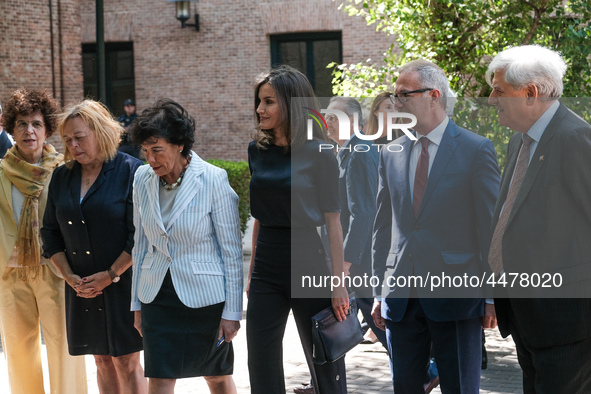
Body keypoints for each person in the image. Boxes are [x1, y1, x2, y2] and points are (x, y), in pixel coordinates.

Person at [371, 59, 500, 393]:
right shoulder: (390, 153)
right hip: (400, 298)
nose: (395, 103)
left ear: (433, 95)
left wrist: (492, 297)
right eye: (394, 95)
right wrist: (377, 290)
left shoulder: (476, 149)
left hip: (457, 297)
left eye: (403, 95)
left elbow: (490, 230)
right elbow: (382, 229)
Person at [486, 45, 591, 393]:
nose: (490, 99)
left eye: (499, 90)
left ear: (530, 93)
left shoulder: (576, 139)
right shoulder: (521, 141)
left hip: (567, 324)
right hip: (526, 315)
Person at [246, 65, 349, 394]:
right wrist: (252, 274)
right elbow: (260, 217)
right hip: (266, 264)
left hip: (308, 259)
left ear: (292, 104)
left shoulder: (321, 153)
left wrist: (339, 284)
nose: (260, 109)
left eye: (269, 102)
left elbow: (334, 221)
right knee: (259, 359)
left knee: (325, 360)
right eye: (259, 102)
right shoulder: (256, 152)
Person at [129, 99, 243, 394]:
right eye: (145, 151)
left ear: (179, 144)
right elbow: (141, 244)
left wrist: (233, 312)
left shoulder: (214, 180)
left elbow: (230, 253)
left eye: (157, 150)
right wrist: (137, 305)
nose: (150, 159)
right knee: (160, 376)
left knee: (216, 376)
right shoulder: (142, 178)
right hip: (157, 296)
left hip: (205, 298)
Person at [41, 99, 147, 394]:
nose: (73, 145)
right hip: (81, 285)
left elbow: (139, 236)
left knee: (126, 360)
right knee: (101, 360)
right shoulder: (62, 176)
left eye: (79, 137)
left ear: (100, 132)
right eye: (67, 140)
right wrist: (68, 276)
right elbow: (50, 234)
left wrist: (111, 274)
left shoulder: (132, 171)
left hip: (122, 282)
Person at [0, 88, 87, 394]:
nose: (29, 131)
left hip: (56, 271)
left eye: (36, 123)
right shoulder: (0, 173)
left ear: (48, 128)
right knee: (19, 353)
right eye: (21, 124)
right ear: (11, 128)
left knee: (65, 349)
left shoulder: (64, 172)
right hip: (11, 275)